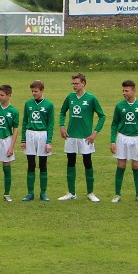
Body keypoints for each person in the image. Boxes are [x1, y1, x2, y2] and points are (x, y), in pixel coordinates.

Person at [57, 73, 106, 202]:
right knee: (70, 162)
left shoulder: (91, 98)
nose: (74, 85)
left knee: (87, 163)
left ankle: (90, 193)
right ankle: (71, 193)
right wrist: (62, 126)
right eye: (72, 83)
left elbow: (102, 116)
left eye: (76, 83)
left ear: (83, 83)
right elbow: (62, 112)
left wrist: (95, 132)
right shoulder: (70, 97)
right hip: (71, 136)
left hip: (86, 137)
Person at [110, 79, 138, 204]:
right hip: (122, 137)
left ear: (134, 91)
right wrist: (113, 141)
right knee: (121, 165)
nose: (124, 93)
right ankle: (117, 194)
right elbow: (114, 125)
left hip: (137, 138)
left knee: (136, 166)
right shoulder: (119, 106)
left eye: (127, 91)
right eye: (123, 90)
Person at [20, 80, 55, 202]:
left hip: (42, 135)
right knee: (30, 164)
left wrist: (49, 141)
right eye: (32, 91)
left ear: (42, 90)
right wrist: (23, 139)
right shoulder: (28, 104)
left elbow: (50, 124)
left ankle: (43, 193)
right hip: (30, 134)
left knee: (42, 164)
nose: (33, 93)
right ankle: (30, 193)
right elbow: (24, 121)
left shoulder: (49, 105)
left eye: (36, 91)